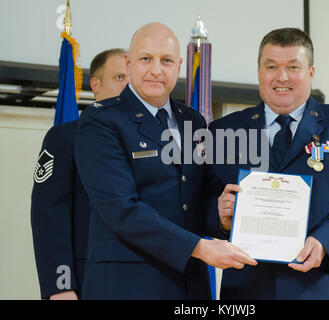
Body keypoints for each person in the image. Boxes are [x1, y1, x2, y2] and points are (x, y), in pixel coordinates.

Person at [207, 27, 329, 299]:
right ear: (259, 71)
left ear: (310, 72)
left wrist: (327, 241)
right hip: (250, 290)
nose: (281, 77)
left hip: (328, 285)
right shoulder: (224, 131)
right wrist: (220, 219)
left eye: (293, 67)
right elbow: (199, 202)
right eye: (271, 66)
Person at [74, 22, 256, 300]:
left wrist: (221, 216)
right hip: (127, 283)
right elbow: (121, 208)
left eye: (167, 61)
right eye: (146, 59)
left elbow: (196, 199)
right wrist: (200, 248)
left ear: (179, 65)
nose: (157, 70)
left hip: (189, 282)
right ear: (129, 62)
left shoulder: (192, 121)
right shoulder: (100, 121)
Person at [31, 48, 129, 300]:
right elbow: (49, 216)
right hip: (87, 281)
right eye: (119, 77)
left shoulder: (151, 142)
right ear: (95, 85)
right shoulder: (65, 138)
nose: (128, 86)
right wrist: (60, 286)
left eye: (132, 79)